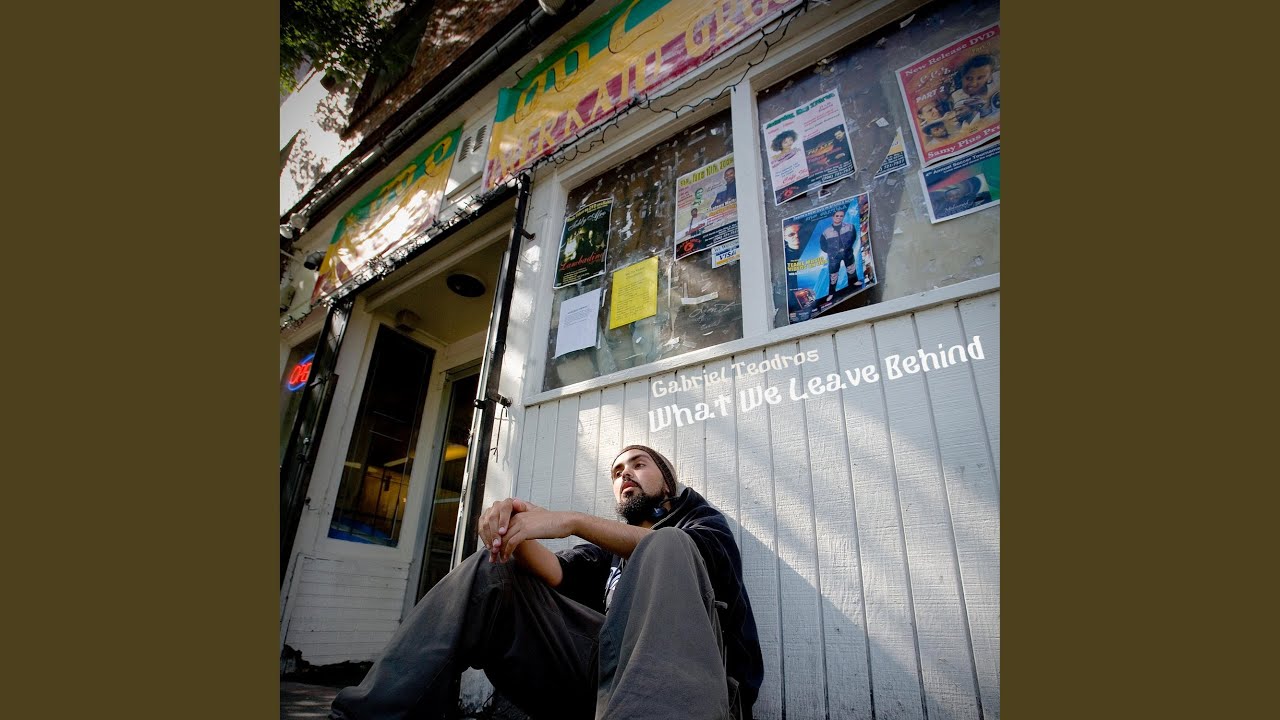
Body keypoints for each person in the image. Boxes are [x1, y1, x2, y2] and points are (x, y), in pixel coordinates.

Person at [329, 444, 764, 720]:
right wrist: (514, 528)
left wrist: (571, 520)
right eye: (616, 472)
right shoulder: (607, 551)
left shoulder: (700, 522)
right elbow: (557, 573)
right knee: (491, 571)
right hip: (600, 685)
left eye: (638, 464)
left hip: (694, 692)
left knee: (667, 545)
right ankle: (371, 713)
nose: (625, 474)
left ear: (667, 481)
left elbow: (692, 557)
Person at [818, 207, 860, 298]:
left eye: (841, 216)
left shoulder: (850, 226)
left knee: (851, 268)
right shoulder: (826, 232)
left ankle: (854, 283)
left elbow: (853, 237)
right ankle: (831, 293)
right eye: (837, 216)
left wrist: (848, 247)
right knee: (833, 275)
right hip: (834, 256)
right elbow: (823, 245)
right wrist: (831, 252)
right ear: (833, 217)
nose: (839, 218)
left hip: (847, 253)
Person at [949, 54, 1000, 128]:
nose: (974, 83)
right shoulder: (959, 95)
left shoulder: (996, 79)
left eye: (980, 77)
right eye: (970, 78)